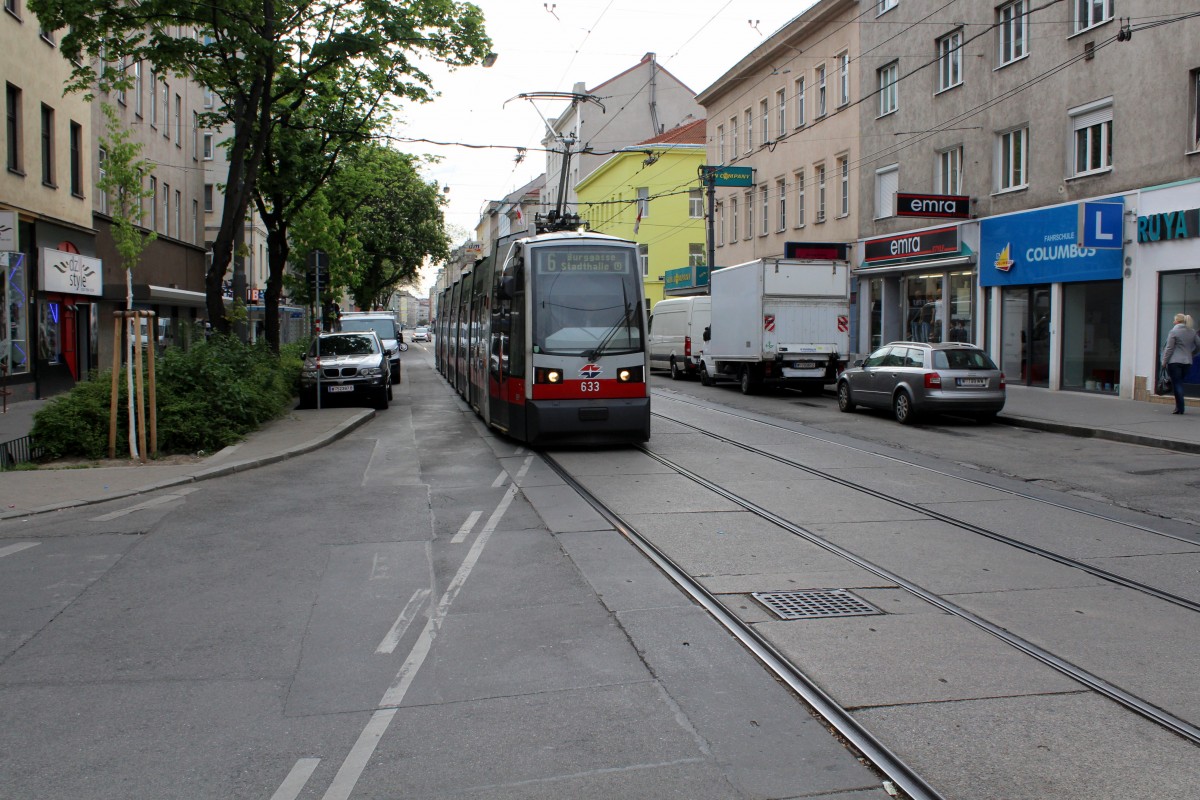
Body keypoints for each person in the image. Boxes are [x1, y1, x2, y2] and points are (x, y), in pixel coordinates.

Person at [1161, 313, 1199, 414]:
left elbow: (1169, 348)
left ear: (1177, 321)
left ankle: (1180, 408)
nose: (1173, 322)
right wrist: (1192, 353)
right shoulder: (1192, 332)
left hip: (1174, 362)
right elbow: (1198, 345)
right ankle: (1179, 407)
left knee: (1177, 384)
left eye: (1174, 320)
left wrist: (1164, 362)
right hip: (1187, 362)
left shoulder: (1173, 332)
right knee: (1179, 383)